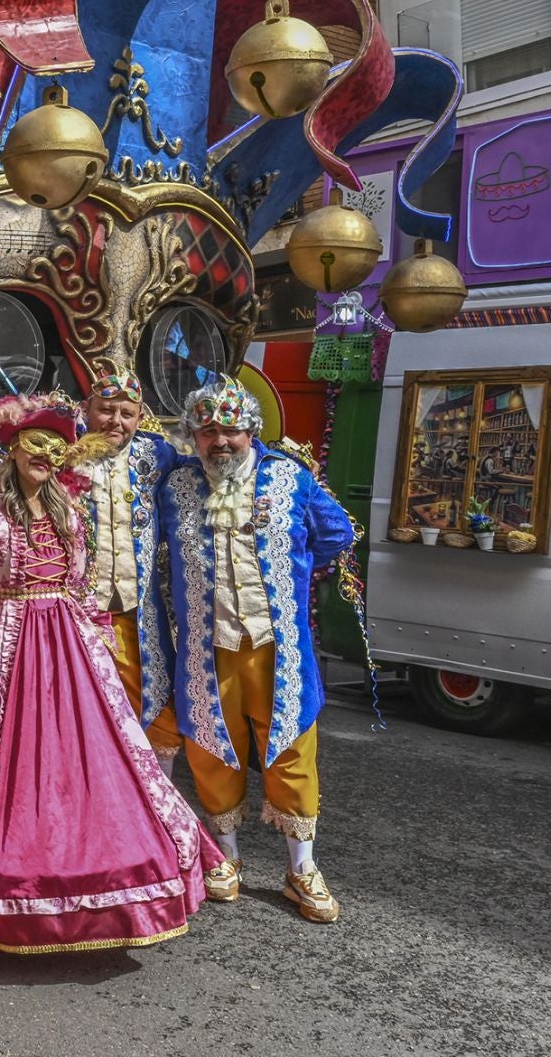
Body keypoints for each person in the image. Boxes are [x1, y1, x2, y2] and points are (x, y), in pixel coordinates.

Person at [0, 393, 223, 954]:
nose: (46, 456)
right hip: (7, 645)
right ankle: (2, 892)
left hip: (69, 647)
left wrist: (96, 649)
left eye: (57, 448)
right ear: (12, 448)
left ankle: (103, 882)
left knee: (96, 761)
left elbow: (79, 587)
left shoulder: (69, 510)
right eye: (36, 444)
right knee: (1, 766)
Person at [156, 375, 358, 922]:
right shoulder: (174, 487)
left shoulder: (289, 478)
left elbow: (338, 532)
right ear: (192, 436)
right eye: (208, 431)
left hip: (279, 648)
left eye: (231, 430)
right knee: (210, 747)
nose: (220, 441)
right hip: (206, 645)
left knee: (290, 747)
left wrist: (293, 573)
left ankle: (302, 869)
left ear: (252, 430)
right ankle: (226, 858)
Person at [79, 358, 183, 764]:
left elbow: (208, 468)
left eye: (127, 413)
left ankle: (157, 807)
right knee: (84, 709)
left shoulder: (157, 456)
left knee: (157, 711)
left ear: (141, 417)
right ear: (87, 409)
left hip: (138, 613)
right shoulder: (63, 454)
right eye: (106, 409)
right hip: (79, 615)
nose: (115, 421)